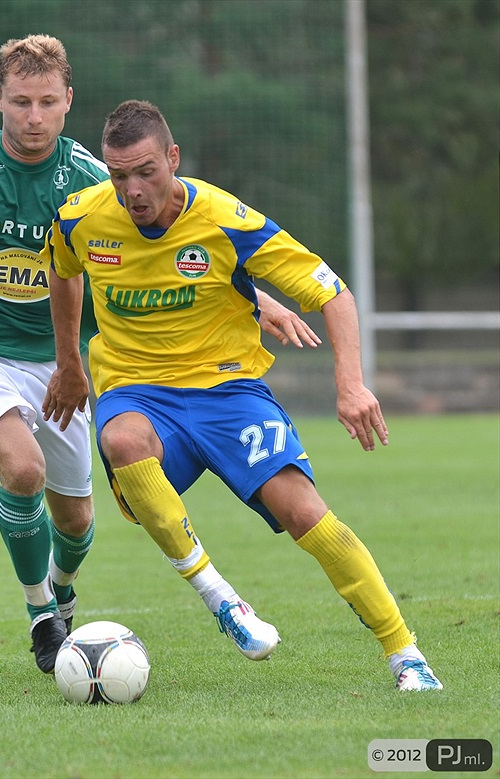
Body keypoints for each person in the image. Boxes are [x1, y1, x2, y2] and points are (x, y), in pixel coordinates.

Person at [0, 39, 317, 675]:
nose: (33, 116)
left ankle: (64, 595)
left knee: (76, 521)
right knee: (20, 471)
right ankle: (41, 615)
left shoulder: (90, 176)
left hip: (65, 365)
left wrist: (258, 299)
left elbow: (181, 240)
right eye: (20, 101)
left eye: (47, 102)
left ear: (68, 102)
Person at [42, 99, 443, 691]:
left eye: (146, 171)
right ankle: (223, 600)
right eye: (118, 174)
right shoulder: (80, 218)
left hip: (229, 392)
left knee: (307, 514)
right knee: (123, 440)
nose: (132, 190)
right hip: (139, 391)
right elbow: (61, 267)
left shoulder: (225, 219)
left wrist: (350, 384)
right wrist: (70, 363)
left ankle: (405, 654)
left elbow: (333, 292)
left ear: (173, 159)